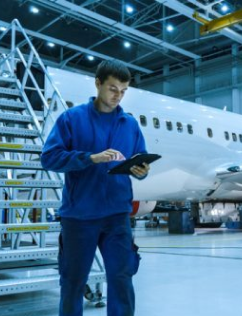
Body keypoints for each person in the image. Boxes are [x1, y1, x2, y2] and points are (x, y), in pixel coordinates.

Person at [41, 60, 150, 316]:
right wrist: (90, 158)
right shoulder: (72, 119)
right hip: (80, 217)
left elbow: (141, 157)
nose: (118, 96)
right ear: (98, 83)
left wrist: (142, 170)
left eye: (123, 91)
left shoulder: (130, 124)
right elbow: (49, 157)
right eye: (113, 88)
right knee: (72, 282)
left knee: (122, 279)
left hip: (117, 216)